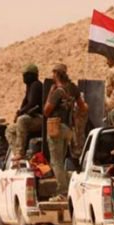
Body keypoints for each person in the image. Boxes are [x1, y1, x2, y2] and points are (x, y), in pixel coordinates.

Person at [44, 64, 88, 202]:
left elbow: (46, 111)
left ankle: (62, 192)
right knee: (61, 161)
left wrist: (50, 93)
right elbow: (83, 107)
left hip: (56, 128)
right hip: (68, 129)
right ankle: (68, 188)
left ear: (56, 74)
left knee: (56, 162)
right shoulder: (73, 88)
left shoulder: (57, 91)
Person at [6, 64, 43, 161]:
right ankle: (17, 154)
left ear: (32, 75)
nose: (24, 78)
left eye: (26, 75)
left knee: (22, 120)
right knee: (10, 129)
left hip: (40, 119)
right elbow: (25, 104)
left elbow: (32, 104)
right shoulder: (29, 87)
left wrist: (20, 113)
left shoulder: (36, 85)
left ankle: (20, 152)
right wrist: (19, 112)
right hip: (32, 119)